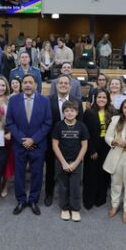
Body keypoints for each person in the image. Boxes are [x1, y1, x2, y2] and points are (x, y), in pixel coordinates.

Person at [6, 75, 53, 216]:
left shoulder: (44, 100)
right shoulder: (13, 100)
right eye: (25, 82)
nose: (27, 85)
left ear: (35, 85)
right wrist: (22, 139)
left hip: (37, 144)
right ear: (21, 85)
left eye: (30, 82)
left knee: (37, 174)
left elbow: (48, 122)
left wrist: (33, 139)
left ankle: (33, 200)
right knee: (19, 174)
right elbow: (10, 121)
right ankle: (21, 200)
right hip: (19, 145)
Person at [45, 74, 83, 207]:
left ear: (70, 86)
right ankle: (49, 194)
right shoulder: (48, 100)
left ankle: (69, 198)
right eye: (60, 83)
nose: (63, 85)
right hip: (52, 141)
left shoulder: (77, 101)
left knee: (70, 169)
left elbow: (80, 123)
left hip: (71, 142)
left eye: (66, 83)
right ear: (56, 85)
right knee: (50, 169)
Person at [51, 100, 89, 222]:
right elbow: (55, 145)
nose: (69, 113)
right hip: (62, 161)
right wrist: (63, 162)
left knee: (75, 186)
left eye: (72, 110)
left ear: (77, 112)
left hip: (76, 162)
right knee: (63, 186)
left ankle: (75, 209)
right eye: (67, 111)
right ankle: (65, 208)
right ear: (63, 113)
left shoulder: (81, 126)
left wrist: (77, 162)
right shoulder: (58, 126)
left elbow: (84, 146)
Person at [82, 89, 114, 210]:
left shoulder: (112, 113)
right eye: (99, 97)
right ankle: (88, 200)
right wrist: (91, 150)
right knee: (91, 174)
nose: (102, 100)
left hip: (107, 147)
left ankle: (100, 199)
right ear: (95, 99)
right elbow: (85, 133)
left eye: (104, 98)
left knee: (104, 174)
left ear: (108, 100)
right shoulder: (89, 112)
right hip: (92, 147)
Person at [0, 76, 15, 197]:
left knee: (7, 162)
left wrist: (10, 133)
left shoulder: (11, 100)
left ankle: (5, 185)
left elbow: (15, 119)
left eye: (3, 85)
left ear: (6, 87)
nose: (0, 88)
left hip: (6, 135)